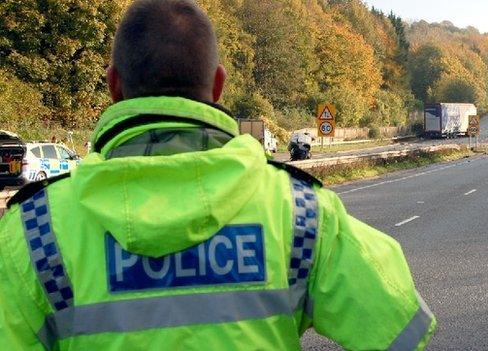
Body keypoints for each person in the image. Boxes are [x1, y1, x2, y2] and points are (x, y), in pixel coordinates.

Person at [0, 0, 436, 350]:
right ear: (218, 86)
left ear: (114, 86)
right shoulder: (302, 213)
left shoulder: (33, 232)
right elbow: (399, 329)